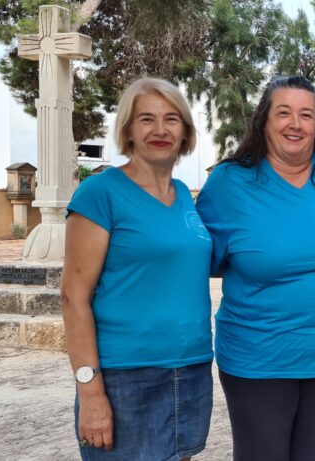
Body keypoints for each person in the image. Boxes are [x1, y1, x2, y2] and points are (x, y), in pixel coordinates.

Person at [196, 76, 315, 461]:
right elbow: (199, 259)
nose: (295, 124)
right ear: (264, 120)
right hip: (259, 359)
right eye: (284, 113)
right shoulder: (229, 182)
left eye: (306, 115)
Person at [61, 77, 213, 460]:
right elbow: (73, 297)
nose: (160, 130)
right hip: (126, 375)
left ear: (185, 132)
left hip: (191, 367)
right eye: (147, 119)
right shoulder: (100, 193)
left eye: (171, 119)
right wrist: (90, 390)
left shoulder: (185, 196)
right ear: (128, 130)